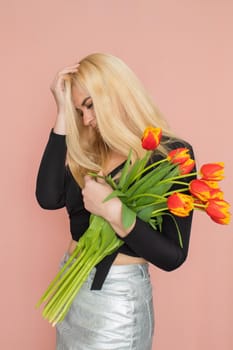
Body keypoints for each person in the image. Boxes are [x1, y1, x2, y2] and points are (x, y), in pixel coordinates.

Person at [35, 52, 196, 350]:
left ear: (117, 94)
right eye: (78, 111)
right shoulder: (89, 149)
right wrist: (61, 113)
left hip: (118, 302)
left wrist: (113, 212)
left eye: (90, 106)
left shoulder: (170, 156)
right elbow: (48, 197)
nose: (87, 120)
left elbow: (173, 256)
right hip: (71, 289)